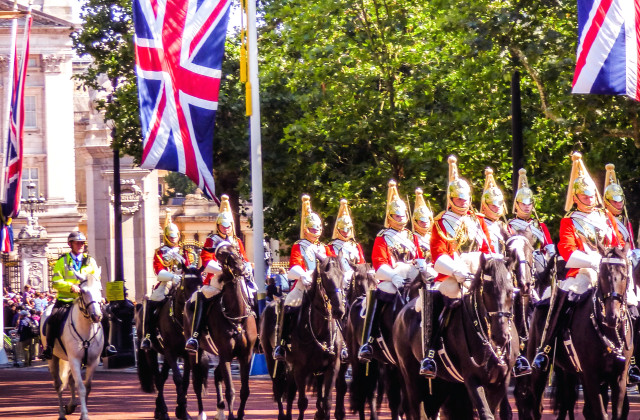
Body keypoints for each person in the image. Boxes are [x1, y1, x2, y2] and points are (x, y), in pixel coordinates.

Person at [532, 152, 622, 372]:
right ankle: (546, 348)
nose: (590, 199)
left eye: (591, 195)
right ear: (576, 197)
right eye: (585, 195)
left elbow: (616, 244)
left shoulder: (605, 217)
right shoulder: (569, 221)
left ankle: (632, 356)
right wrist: (593, 261)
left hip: (607, 272)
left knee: (630, 301)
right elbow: (568, 251)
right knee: (561, 298)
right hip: (582, 272)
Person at [421, 156, 495, 377]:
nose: (463, 202)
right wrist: (457, 271)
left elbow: (487, 248)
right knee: (440, 303)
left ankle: (518, 350)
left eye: (466, 198)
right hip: (453, 276)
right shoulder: (441, 222)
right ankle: (431, 354)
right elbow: (438, 255)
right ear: (451, 198)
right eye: (459, 198)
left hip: (478, 274)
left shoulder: (478, 220)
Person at [358, 180, 420, 362]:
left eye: (402, 215)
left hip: (412, 276)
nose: (401, 218)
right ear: (390, 216)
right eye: (397, 215)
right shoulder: (383, 237)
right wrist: (393, 276)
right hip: (392, 277)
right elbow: (379, 263)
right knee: (382, 292)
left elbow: (417, 256)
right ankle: (368, 340)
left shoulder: (411, 236)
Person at [479, 167, 532, 376]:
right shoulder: (476, 223)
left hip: (502, 276)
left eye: (499, 203)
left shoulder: (506, 227)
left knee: (519, 298)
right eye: (492, 204)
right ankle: (432, 351)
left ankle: (520, 352)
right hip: (481, 273)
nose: (496, 207)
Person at [185, 194, 253, 353]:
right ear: (218, 225)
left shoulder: (237, 241)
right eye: (223, 225)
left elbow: (244, 258)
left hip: (237, 278)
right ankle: (195, 336)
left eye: (228, 225)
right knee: (201, 298)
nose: (226, 228)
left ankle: (255, 335)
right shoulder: (211, 240)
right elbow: (207, 261)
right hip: (217, 279)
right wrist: (225, 270)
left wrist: (247, 267)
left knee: (252, 296)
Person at [273, 195, 332, 361]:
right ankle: (282, 343)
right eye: (313, 229)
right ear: (306, 229)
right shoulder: (299, 245)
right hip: (303, 286)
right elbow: (294, 266)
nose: (316, 231)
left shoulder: (325, 248)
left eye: (318, 228)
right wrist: (304, 275)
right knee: (289, 303)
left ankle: (342, 344)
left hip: (322, 288)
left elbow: (332, 267)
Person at [42, 231, 117, 360]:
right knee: (53, 318)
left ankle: (106, 346)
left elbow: (95, 280)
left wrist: (98, 296)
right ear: (70, 244)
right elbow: (56, 282)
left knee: (104, 316)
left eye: (82, 243)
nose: (81, 245)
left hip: (87, 300)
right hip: (67, 299)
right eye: (78, 243)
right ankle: (48, 348)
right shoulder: (62, 261)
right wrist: (70, 287)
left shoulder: (90, 261)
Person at [602, 163, 640, 384]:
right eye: (614, 201)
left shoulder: (626, 223)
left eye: (620, 200)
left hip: (625, 272)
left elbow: (630, 246)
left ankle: (632, 361)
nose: (618, 204)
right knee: (564, 301)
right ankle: (546, 349)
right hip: (604, 268)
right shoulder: (602, 221)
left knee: (635, 313)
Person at [140, 211, 191, 350]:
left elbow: (189, 266)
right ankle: (148, 336)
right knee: (153, 302)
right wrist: (172, 277)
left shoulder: (184, 251)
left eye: (175, 236)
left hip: (183, 281)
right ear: (166, 237)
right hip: (166, 282)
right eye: (170, 236)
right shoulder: (160, 252)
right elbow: (158, 271)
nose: (173, 239)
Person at [508, 168, 555, 277]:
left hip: (539, 263)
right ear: (517, 205)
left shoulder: (540, 226)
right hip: (518, 263)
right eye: (523, 204)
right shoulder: (510, 225)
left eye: (529, 203)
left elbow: (548, 246)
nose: (527, 207)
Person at [412, 188, 434, 265]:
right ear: (416, 222)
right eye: (422, 221)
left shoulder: (434, 236)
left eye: (427, 221)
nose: (425, 223)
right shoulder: (412, 238)